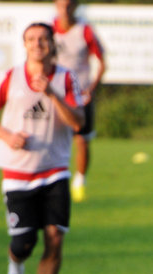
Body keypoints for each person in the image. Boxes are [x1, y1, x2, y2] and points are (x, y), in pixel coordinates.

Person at [0, 22, 86, 274]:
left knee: (55, 237)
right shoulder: (10, 77)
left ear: (52, 44)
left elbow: (78, 122)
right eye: (31, 39)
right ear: (24, 44)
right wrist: (7, 136)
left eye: (43, 39)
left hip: (55, 170)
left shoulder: (66, 78)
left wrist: (52, 94)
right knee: (24, 244)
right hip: (17, 173)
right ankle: (15, 267)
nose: (37, 44)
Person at [53, 0, 105, 203]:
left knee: (81, 140)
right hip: (55, 94)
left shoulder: (85, 31)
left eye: (68, 5)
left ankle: (79, 182)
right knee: (51, 137)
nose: (65, 10)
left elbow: (102, 62)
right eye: (61, 5)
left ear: (75, 6)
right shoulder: (49, 29)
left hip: (79, 94)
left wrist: (91, 88)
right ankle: (52, 179)